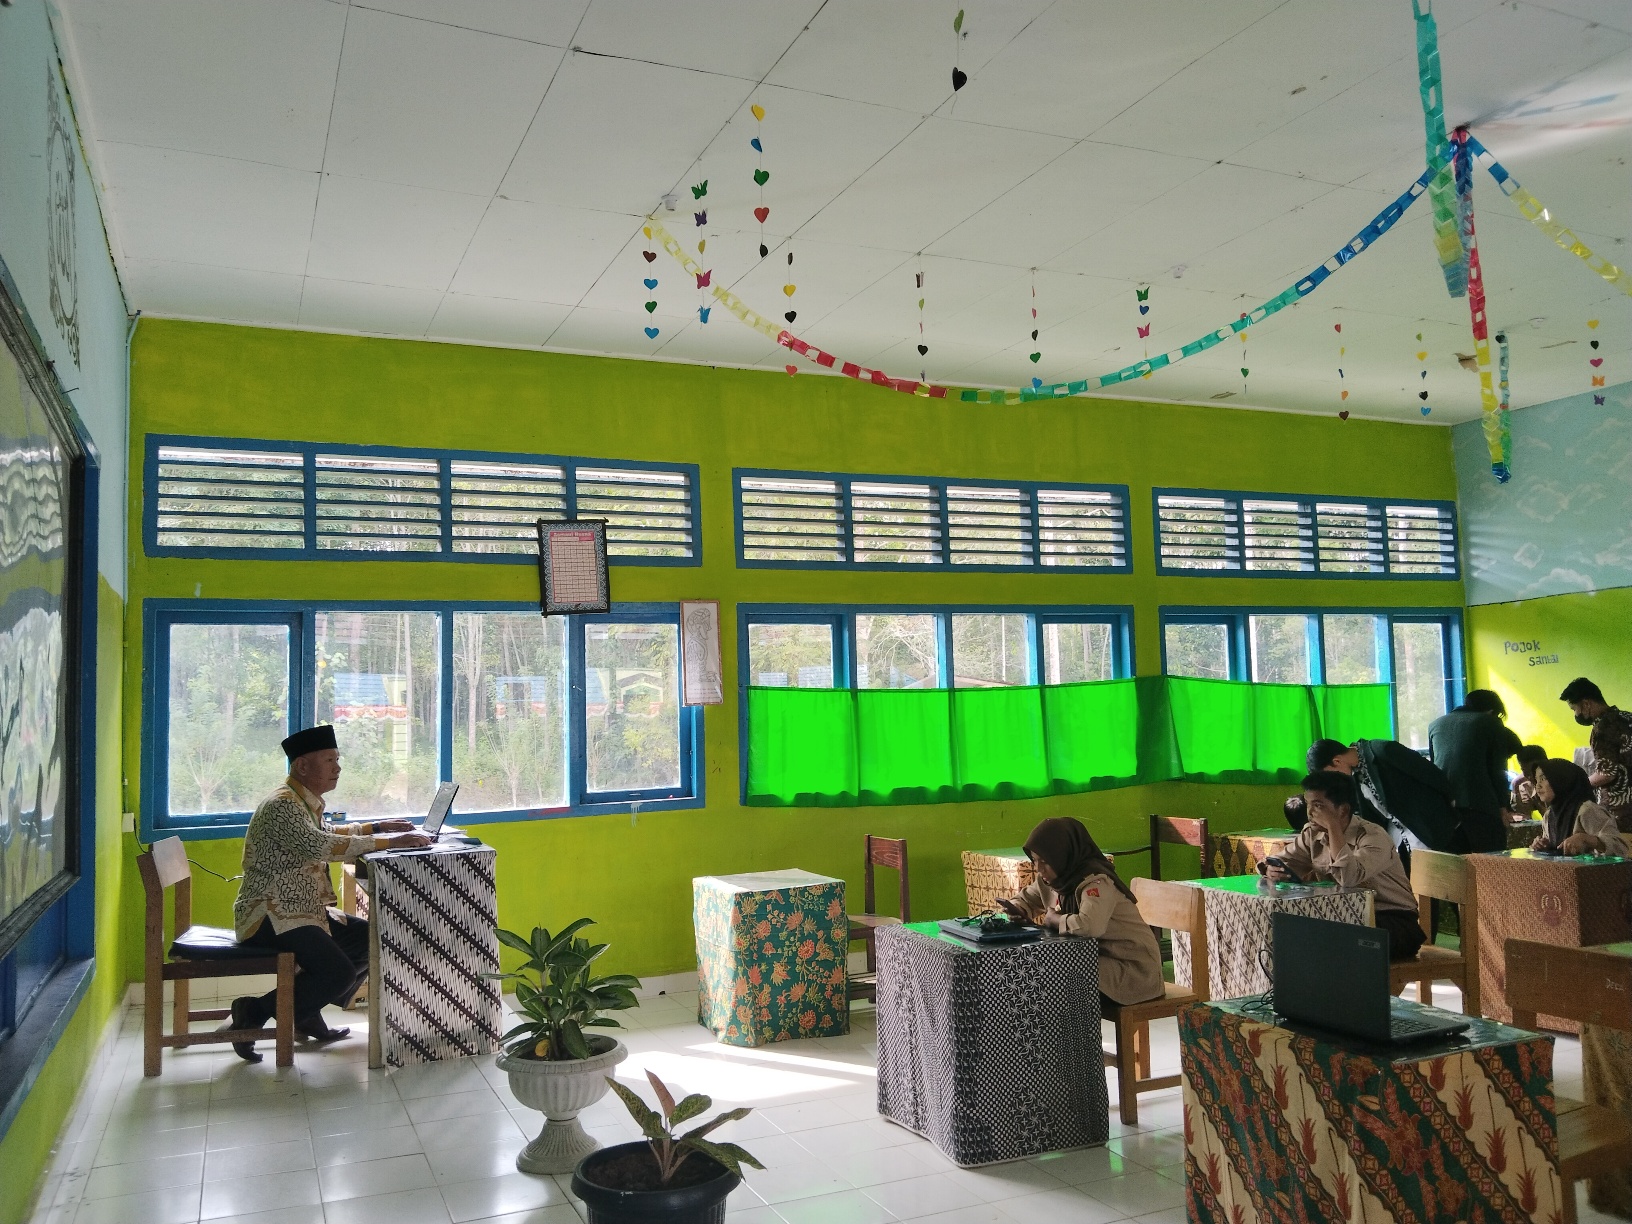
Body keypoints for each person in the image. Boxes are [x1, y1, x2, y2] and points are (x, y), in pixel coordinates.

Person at [228, 725, 429, 1060]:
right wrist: (389, 842)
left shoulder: (301, 802)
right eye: (329, 760)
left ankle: (305, 1010)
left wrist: (378, 827)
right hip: (270, 914)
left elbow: (328, 832)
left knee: (371, 940)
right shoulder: (281, 805)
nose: (338, 768)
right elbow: (319, 845)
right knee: (338, 972)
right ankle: (255, 1010)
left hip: (300, 910)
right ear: (302, 766)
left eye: (337, 760)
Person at [997, 817, 1164, 1007]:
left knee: (1053, 979)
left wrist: (1055, 920)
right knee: (1040, 974)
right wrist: (1018, 908)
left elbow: (1090, 926)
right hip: (1098, 961)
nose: (1039, 869)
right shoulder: (1056, 880)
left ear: (1063, 856)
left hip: (1133, 969)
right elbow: (1026, 898)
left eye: (1045, 861)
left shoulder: (1096, 882)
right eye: (1035, 860)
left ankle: (1062, 1028)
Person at [1266, 771, 1427, 961]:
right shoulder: (1313, 834)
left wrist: (1333, 827)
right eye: (1308, 804)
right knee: (1291, 932)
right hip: (1345, 917)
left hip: (1392, 922)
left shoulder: (1373, 837)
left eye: (1318, 806)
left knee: (1327, 945)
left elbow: (1348, 878)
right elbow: (1284, 859)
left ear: (1343, 810)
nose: (1310, 813)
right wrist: (1272, 870)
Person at [1306, 737, 1464, 856]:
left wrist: (1451, 803)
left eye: (1331, 774)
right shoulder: (1354, 774)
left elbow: (1430, 774)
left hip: (1428, 825)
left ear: (1337, 761)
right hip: (1402, 834)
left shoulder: (1383, 750)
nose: (1334, 781)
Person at [1428, 689, 1523, 852]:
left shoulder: (1435, 724)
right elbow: (1498, 770)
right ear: (1492, 711)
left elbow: (1434, 765)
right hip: (1480, 805)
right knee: (1491, 859)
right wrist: (1503, 808)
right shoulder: (1491, 723)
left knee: (1455, 861)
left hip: (1443, 807)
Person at [1561, 678, 1632, 827]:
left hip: (1622, 809)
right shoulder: (1628, 717)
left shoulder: (1601, 729)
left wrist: (1578, 786)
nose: (1576, 714)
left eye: (1574, 709)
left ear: (1586, 704)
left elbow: (1607, 773)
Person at [1530, 758, 1630, 858]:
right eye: (1536, 780)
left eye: (1543, 778)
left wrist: (1586, 839)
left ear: (1562, 779)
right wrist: (1543, 845)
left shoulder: (1588, 810)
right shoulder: (1549, 815)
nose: (1538, 786)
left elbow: (1620, 848)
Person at [1510, 744, 1548, 817]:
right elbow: (1524, 817)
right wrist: (1516, 791)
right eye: (1525, 772)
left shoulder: (1560, 781)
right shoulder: (1523, 784)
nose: (1530, 777)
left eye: (1534, 771)